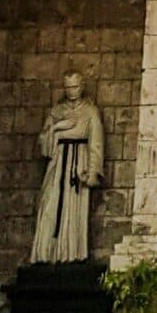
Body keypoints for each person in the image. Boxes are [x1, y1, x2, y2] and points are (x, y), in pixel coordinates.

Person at [30, 71, 104, 264]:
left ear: (82, 86)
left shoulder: (90, 112)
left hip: (78, 162)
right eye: (68, 87)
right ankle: (47, 253)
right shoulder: (57, 111)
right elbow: (44, 143)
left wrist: (93, 170)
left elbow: (96, 142)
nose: (72, 91)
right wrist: (56, 129)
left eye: (75, 86)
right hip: (59, 160)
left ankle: (71, 253)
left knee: (74, 209)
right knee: (49, 203)